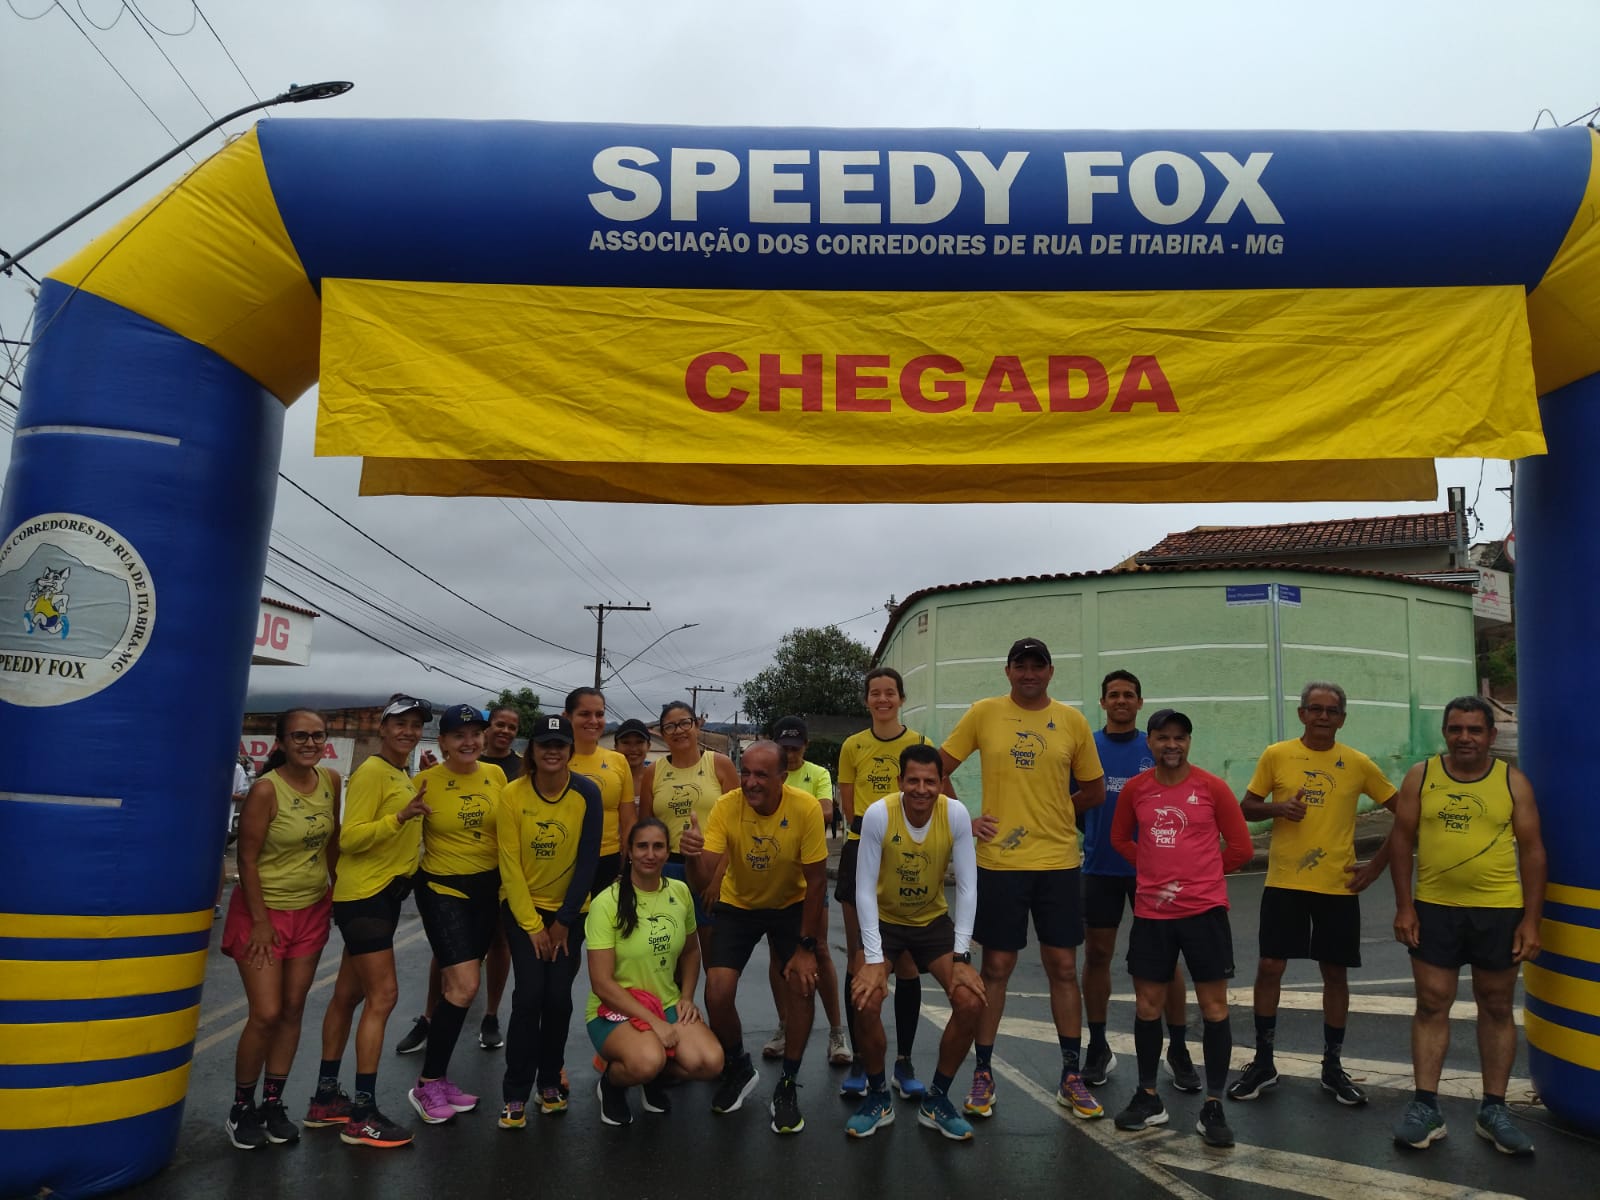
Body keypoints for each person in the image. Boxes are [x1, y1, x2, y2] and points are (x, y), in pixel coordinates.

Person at [939, 637, 1106, 1120]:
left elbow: (1094, 790)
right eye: (1020, 665)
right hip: (1000, 862)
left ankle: (1071, 1075)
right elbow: (938, 767)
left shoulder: (1071, 721)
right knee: (996, 968)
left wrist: (1057, 811)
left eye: (1037, 665)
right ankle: (983, 1072)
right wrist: (964, 820)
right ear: (1007, 671)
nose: (1029, 673)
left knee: (1063, 968)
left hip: (1058, 862)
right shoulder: (984, 713)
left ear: (1050, 671)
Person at [1229, 681, 1399, 1106]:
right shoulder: (1277, 755)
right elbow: (1246, 807)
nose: (1323, 716)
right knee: (1270, 966)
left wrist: (1376, 866)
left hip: (1337, 885)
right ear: (1301, 713)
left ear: (1343, 718)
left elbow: (1407, 813)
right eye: (1315, 709)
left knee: (1335, 974)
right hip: (1285, 881)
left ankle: (1332, 1066)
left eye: (1332, 710)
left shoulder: (1358, 763)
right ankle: (1263, 1062)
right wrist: (1279, 808)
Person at [1388, 696, 1545, 1157]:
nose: (1465, 738)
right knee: (1431, 1003)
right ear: (1445, 732)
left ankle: (1493, 1110)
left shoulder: (1512, 781)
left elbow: (1533, 851)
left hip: (1498, 910)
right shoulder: (1421, 776)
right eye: (1456, 729)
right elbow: (1401, 840)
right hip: (1434, 909)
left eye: (1475, 730)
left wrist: (1531, 921)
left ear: (1491, 736)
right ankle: (1425, 1108)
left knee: (1496, 1006)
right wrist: (1404, 907)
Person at [1110, 709, 1253, 1148]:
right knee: (1147, 1006)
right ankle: (1148, 1096)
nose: (1171, 745)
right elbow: (1120, 839)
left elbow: (1241, 848)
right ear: (1150, 742)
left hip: (1204, 913)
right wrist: (1152, 871)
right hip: (1153, 915)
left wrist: (1202, 877)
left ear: (1189, 742)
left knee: (1214, 1008)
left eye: (1179, 737)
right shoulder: (1136, 789)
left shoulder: (1212, 787)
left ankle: (1213, 1104)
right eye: (1162, 737)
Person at [682, 740, 828, 1134]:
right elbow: (702, 879)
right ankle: (738, 1066)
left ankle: (788, 1082)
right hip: (739, 903)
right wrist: (692, 855)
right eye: (745, 772)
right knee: (717, 991)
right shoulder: (727, 806)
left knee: (801, 985)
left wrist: (807, 947)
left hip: (790, 903)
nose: (750, 782)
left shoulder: (805, 807)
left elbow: (816, 882)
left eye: (761, 774)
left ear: (783, 776)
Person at [307, 695, 431, 1148]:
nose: (408, 731)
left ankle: (325, 1099)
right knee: (384, 996)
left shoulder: (400, 773)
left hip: (380, 896)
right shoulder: (373, 772)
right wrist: (400, 817)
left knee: (347, 995)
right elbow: (352, 838)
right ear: (382, 729)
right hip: (366, 897)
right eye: (400, 724)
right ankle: (362, 1113)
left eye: (415, 725)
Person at [848, 744, 985, 1141]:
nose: (921, 789)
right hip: (886, 922)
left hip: (931, 921)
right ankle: (878, 1096)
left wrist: (961, 956)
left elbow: (968, 887)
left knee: (971, 1001)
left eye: (930, 781)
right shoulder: (879, 814)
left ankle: (937, 1099)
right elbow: (863, 890)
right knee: (865, 999)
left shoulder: (955, 814)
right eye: (913, 780)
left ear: (941, 783)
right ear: (900, 782)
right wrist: (874, 959)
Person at [222, 708, 341, 1149]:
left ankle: (273, 1103)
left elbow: (332, 840)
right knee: (266, 1013)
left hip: (311, 910)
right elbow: (247, 858)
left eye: (317, 735)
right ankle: (241, 1108)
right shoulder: (266, 790)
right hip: (263, 914)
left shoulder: (331, 781)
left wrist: (339, 889)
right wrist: (259, 922)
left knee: (292, 1009)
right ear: (282, 743)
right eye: (299, 736)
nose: (310, 743)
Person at [1079, 670, 1200, 1093]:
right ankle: (1098, 1046)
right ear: (1102, 702)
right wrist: (1095, 834)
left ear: (1139, 702)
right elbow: (1075, 802)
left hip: (1155, 872)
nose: (1121, 700)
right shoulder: (1087, 746)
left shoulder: (1154, 747)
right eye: (1113, 694)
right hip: (1100, 868)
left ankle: (1178, 1048)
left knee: (1167, 961)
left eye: (1128, 694)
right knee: (1097, 955)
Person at [496, 714, 602, 1127]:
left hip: (569, 914)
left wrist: (563, 921)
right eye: (545, 744)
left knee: (558, 998)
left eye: (560, 744)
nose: (552, 751)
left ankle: (549, 1082)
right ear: (533, 750)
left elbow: (588, 860)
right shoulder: (512, 793)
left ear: (570, 750)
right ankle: (515, 1092)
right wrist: (533, 925)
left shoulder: (587, 793)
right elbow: (509, 864)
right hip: (524, 910)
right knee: (528, 996)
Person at [835, 668, 936, 1098]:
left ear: (901, 698)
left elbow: (934, 797)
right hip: (862, 850)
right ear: (867, 700)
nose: (882, 699)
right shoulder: (852, 745)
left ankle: (904, 1061)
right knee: (860, 960)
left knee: (907, 962)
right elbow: (848, 804)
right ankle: (862, 1058)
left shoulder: (921, 744)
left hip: (907, 852)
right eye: (875, 693)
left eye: (890, 693)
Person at [405, 704, 507, 1124]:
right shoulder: (423, 783)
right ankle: (427, 1084)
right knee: (465, 986)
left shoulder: (496, 776)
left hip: (488, 889)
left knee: (457, 989)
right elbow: (403, 836)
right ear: (443, 741)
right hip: (443, 889)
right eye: (459, 735)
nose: (469, 742)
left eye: (475, 734)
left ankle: (439, 1078)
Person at [588, 817, 724, 1126]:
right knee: (648, 1059)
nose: (650, 854)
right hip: (614, 1010)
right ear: (629, 852)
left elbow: (690, 952)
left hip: (666, 1003)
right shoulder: (606, 903)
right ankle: (612, 1082)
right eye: (642, 847)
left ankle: (651, 1078)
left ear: (667, 851)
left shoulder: (680, 891)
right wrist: (654, 1023)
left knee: (711, 1062)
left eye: (658, 847)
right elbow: (601, 983)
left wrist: (686, 997)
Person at [764, 715, 848, 1071]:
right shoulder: (767, 772)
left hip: (809, 878)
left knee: (820, 950)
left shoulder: (818, 774)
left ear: (806, 746)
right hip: (773, 878)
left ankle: (836, 1033)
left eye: (796, 748)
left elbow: (826, 812)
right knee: (777, 955)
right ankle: (784, 1025)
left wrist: (784, 811)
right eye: (784, 748)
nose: (791, 754)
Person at [638, 700, 739, 972]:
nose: (679, 731)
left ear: (697, 725)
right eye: (670, 726)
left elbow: (738, 829)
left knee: (716, 965)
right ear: (661, 733)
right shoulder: (653, 772)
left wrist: (717, 879)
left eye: (685, 723)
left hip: (713, 872)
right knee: (668, 962)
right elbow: (646, 830)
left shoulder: (720, 765)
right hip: (667, 871)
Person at [566, 687, 636, 898]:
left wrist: (626, 860)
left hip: (608, 858)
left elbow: (628, 818)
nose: (594, 721)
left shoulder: (618, 761)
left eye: (599, 714)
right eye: (584, 714)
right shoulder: (556, 759)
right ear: (567, 717)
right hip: (564, 857)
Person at [613, 717, 653, 805]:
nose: (633, 749)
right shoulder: (608, 778)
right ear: (616, 747)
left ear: (648, 746)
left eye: (639, 742)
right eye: (626, 742)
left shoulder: (658, 778)